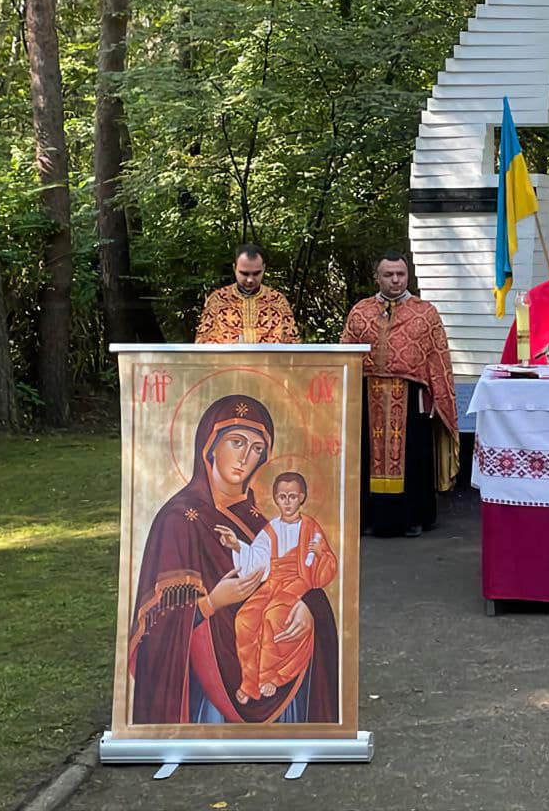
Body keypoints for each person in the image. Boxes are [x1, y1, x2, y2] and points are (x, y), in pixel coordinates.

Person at [128, 394, 339, 723]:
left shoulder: (258, 518)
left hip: (279, 646)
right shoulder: (179, 519)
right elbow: (155, 627)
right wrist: (211, 603)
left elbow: (293, 572)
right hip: (208, 680)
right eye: (237, 442)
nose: (246, 457)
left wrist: (309, 607)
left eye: (257, 449)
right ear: (210, 445)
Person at [340, 252, 459, 537]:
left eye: (400, 274)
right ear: (377, 277)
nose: (395, 280)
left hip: (411, 395)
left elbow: (438, 358)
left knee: (414, 457)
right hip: (368, 396)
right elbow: (345, 354)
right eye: (388, 275)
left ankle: (413, 518)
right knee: (368, 457)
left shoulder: (425, 312)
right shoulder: (361, 310)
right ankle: (369, 519)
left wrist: (438, 397)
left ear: (408, 276)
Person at [216, 472, 337, 706]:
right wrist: (237, 546)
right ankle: (249, 682)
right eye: (282, 497)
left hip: (298, 581)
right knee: (245, 618)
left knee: (274, 616)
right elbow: (258, 559)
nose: (288, 501)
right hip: (273, 582)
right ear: (275, 499)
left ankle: (270, 676)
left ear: (302, 497)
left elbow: (326, 566)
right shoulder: (271, 528)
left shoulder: (310, 527)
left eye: (293, 496)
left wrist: (321, 554)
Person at [195, 244, 300, 344]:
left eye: (256, 273)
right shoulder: (217, 300)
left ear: (263, 268)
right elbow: (203, 346)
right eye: (244, 273)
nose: (250, 280)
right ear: (234, 268)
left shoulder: (278, 300)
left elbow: (292, 347)